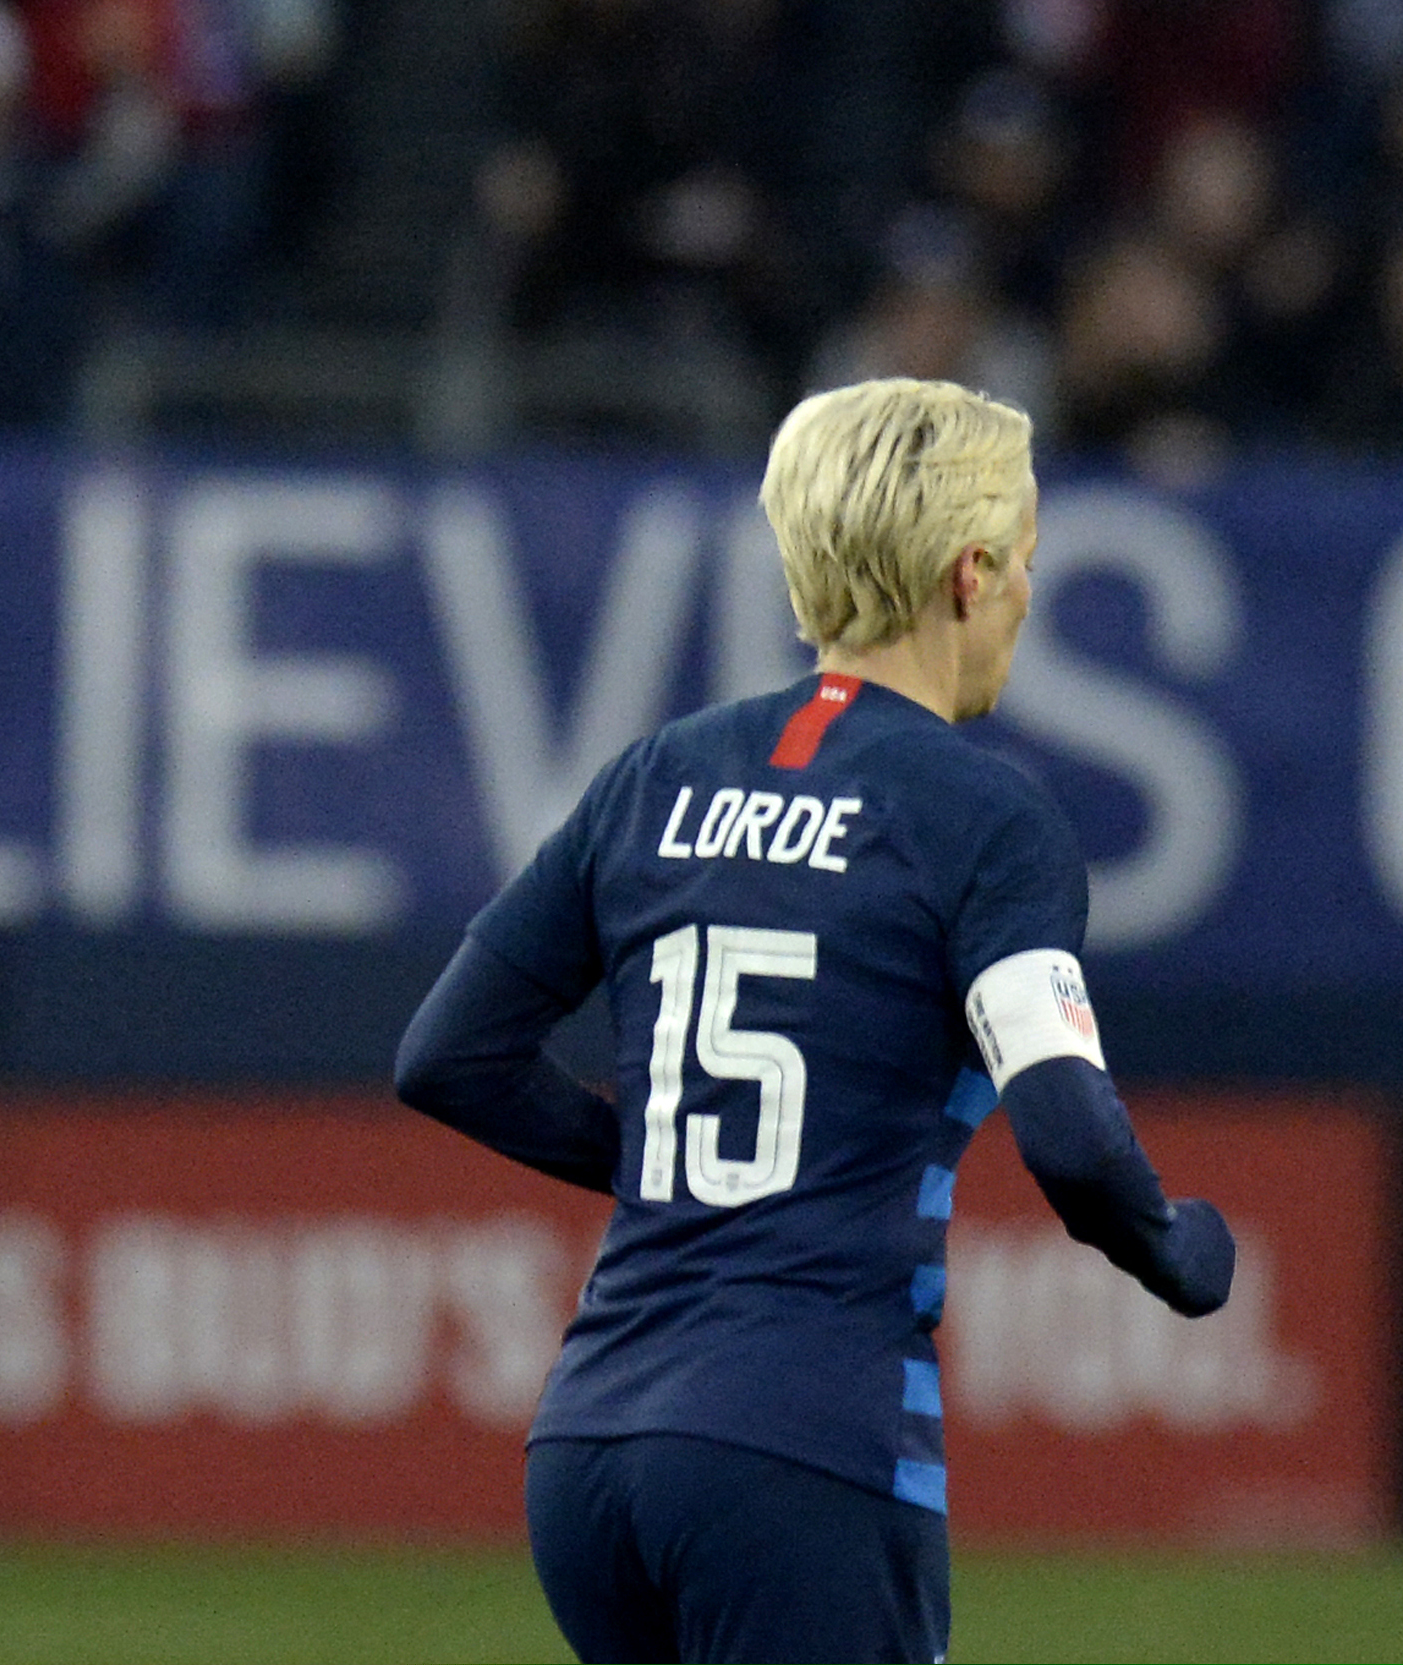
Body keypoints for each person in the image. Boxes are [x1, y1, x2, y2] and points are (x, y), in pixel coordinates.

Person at [394, 377, 1234, 1664]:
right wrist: (1182, 1252)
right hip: (804, 1445)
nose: (1022, 598)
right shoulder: (985, 819)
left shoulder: (654, 774)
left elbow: (448, 1056)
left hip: (588, 1446)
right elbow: (1069, 1139)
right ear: (968, 572)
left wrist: (662, 1162)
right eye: (1021, 564)